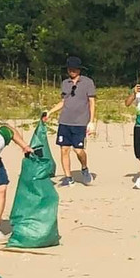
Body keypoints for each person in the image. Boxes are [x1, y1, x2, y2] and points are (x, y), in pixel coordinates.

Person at [44, 57, 96, 186]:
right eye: (70, 69)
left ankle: (84, 168)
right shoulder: (65, 83)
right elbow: (63, 101)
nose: (72, 71)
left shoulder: (87, 82)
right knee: (64, 149)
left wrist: (91, 121)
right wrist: (50, 112)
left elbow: (92, 102)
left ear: (79, 69)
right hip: (65, 121)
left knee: (78, 150)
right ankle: (68, 177)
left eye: (74, 68)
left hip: (80, 122)